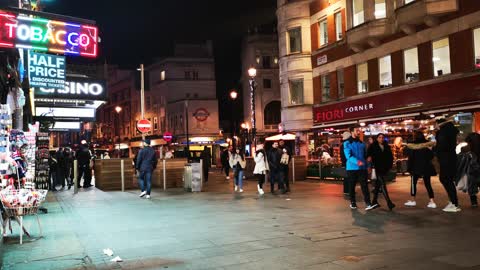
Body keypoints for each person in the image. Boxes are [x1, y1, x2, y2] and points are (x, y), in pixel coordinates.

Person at [404, 131, 437, 208]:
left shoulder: (412, 145)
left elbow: (408, 154)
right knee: (428, 184)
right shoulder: (427, 145)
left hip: (415, 167)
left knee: (413, 184)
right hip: (426, 167)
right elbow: (431, 156)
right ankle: (432, 201)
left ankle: (413, 200)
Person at [344, 126, 374, 210]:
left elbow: (366, 156)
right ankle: (353, 203)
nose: (359, 132)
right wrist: (357, 162)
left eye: (359, 130)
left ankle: (368, 203)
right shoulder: (346, 143)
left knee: (364, 186)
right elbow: (348, 156)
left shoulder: (362, 143)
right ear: (351, 131)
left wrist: (368, 166)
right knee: (352, 186)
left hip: (362, 168)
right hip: (351, 168)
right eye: (357, 130)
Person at [435, 118, 461, 212]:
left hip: (445, 159)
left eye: (436, 124)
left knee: (445, 179)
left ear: (439, 124)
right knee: (447, 180)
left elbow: (442, 146)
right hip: (451, 158)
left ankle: (454, 203)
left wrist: (434, 149)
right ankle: (453, 202)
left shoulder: (443, 132)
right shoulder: (451, 131)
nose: (435, 126)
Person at [367, 133, 395, 210]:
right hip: (376, 168)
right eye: (380, 137)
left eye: (382, 137)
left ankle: (374, 201)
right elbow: (368, 155)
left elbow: (390, 157)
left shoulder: (386, 146)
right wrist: (369, 161)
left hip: (384, 168)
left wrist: (389, 166)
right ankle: (389, 202)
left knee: (378, 185)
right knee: (382, 184)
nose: (381, 139)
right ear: (377, 138)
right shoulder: (373, 146)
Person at [457, 133, 480, 207]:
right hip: (476, 169)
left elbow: (460, 158)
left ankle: (474, 202)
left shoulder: (465, 148)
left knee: (472, 186)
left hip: (470, 170)